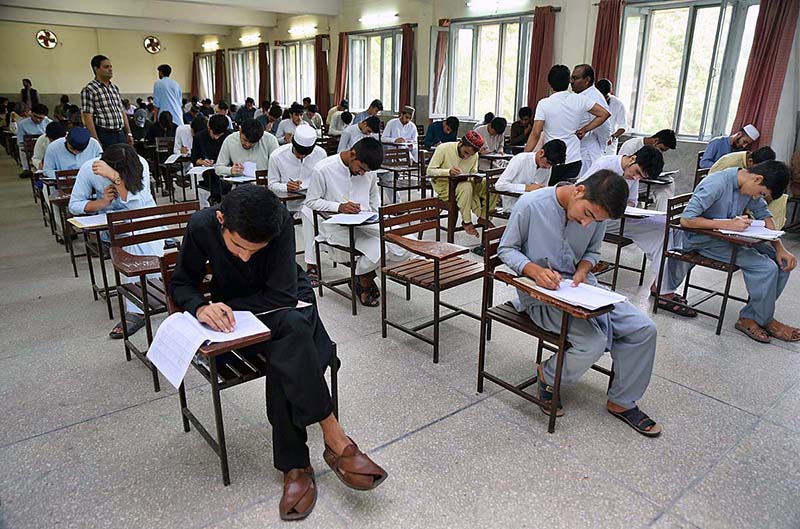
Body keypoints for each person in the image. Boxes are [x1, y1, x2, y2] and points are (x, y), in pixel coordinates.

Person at [169, 185, 387, 521]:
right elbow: (181, 283)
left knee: (287, 335)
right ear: (221, 219)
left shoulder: (280, 223)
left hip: (284, 299)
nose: (245, 256)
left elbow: (282, 295)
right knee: (294, 335)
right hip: (252, 315)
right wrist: (200, 307)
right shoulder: (201, 227)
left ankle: (295, 466)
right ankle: (333, 435)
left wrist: (228, 306)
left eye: (255, 250)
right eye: (237, 246)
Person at [498, 170, 662, 437]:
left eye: (595, 220)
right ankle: (549, 376)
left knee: (644, 329)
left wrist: (584, 269)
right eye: (587, 214)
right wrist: (534, 270)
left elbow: (592, 252)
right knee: (593, 342)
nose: (587, 224)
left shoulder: (595, 216)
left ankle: (622, 400)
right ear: (579, 190)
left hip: (582, 289)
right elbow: (506, 250)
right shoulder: (531, 205)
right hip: (541, 294)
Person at [661, 161, 798, 344]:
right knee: (765, 267)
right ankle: (762, 320)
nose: (759, 197)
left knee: (781, 263)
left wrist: (780, 248)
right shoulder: (717, 183)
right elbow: (687, 220)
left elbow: (765, 216)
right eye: (761, 193)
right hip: (702, 241)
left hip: (728, 238)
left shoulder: (748, 186)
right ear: (757, 178)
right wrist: (726, 224)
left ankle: (753, 316)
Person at [579, 147, 695, 316]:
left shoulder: (633, 174)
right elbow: (581, 191)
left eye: (641, 177)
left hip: (620, 217)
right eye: (637, 172)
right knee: (660, 233)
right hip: (598, 218)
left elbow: (632, 201)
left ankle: (662, 286)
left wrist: (629, 207)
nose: (636, 178)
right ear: (632, 158)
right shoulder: (605, 166)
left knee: (668, 230)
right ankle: (663, 290)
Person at [304, 137, 410, 306]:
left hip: (366, 222)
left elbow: (374, 196)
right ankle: (364, 280)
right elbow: (311, 202)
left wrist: (375, 216)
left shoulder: (368, 171)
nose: (362, 174)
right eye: (361, 169)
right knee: (379, 249)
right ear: (352, 154)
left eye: (366, 171)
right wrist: (339, 207)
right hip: (335, 226)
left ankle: (361, 276)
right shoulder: (323, 169)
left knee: (404, 244)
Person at [69, 144, 160, 339]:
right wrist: (101, 203)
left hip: (144, 219)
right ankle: (139, 304)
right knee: (129, 239)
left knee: (137, 233)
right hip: (112, 226)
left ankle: (143, 296)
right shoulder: (90, 169)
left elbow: (137, 202)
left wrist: (116, 178)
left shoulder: (140, 164)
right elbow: (74, 205)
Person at [524, 65, 611, 184]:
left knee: (547, 194)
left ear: (549, 83)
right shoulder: (579, 99)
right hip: (574, 159)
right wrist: (585, 129)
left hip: (552, 159)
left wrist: (524, 156)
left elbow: (535, 134)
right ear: (569, 81)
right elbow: (604, 114)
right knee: (566, 195)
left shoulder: (544, 104)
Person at [268, 125, 327, 273]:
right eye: (299, 154)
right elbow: (272, 185)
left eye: (305, 155)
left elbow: (325, 182)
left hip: (313, 200)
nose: (301, 157)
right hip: (287, 205)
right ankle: (312, 264)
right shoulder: (277, 156)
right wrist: (286, 187)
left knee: (310, 212)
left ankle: (317, 256)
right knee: (309, 214)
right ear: (292, 144)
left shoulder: (321, 154)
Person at [426, 130, 494, 237]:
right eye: (466, 152)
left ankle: (484, 218)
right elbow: (429, 171)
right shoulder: (443, 148)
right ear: (460, 142)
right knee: (465, 187)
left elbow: (473, 172)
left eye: (470, 155)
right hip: (446, 187)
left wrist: (476, 178)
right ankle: (466, 222)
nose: (467, 157)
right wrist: (448, 172)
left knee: (492, 185)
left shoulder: (474, 156)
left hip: (467, 184)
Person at [708, 146, 786, 228]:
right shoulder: (720, 180)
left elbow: (762, 212)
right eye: (761, 193)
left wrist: (774, 236)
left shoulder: (749, 186)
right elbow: (693, 219)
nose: (756, 196)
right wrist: (728, 224)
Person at [42, 126, 102, 232]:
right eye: (72, 149)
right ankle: (63, 227)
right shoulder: (53, 147)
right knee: (49, 193)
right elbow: (47, 170)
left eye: (80, 151)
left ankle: (97, 228)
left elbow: (102, 164)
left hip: (90, 185)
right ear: (66, 138)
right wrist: (64, 176)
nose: (76, 153)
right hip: (64, 186)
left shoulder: (94, 144)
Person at [495, 139, 566, 211]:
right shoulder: (521, 159)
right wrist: (527, 188)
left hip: (534, 205)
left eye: (552, 165)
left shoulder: (547, 167)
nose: (548, 167)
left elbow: (544, 188)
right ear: (541, 153)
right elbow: (500, 185)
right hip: (514, 205)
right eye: (548, 162)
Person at [81, 55, 134, 148]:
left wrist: (129, 133)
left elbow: (122, 111)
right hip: (105, 134)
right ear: (96, 69)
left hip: (120, 133)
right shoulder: (90, 89)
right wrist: (95, 140)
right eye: (106, 67)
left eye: (110, 66)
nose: (110, 69)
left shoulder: (114, 88)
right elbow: (87, 116)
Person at [618, 129, 678, 211]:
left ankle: (662, 217)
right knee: (665, 187)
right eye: (662, 149)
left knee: (668, 183)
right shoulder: (631, 146)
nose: (661, 152)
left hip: (642, 180)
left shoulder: (654, 153)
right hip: (628, 181)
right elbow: (623, 170)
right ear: (656, 141)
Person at [569, 64, 612, 178]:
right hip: (577, 148)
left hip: (588, 150)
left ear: (587, 80)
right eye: (571, 78)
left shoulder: (594, 97)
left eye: (575, 78)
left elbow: (604, 128)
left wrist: (600, 145)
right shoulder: (579, 96)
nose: (571, 82)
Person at [215, 118, 279, 177]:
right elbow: (218, 168)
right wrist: (231, 170)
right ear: (240, 131)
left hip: (263, 184)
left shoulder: (270, 140)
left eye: (252, 142)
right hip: (239, 185)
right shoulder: (230, 140)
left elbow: (278, 167)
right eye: (245, 140)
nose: (247, 145)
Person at [191, 114, 232, 206]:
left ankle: (219, 202)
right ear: (209, 127)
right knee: (217, 182)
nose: (217, 137)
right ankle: (217, 202)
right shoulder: (199, 137)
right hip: (209, 173)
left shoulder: (229, 136)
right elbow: (194, 158)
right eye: (214, 134)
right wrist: (202, 162)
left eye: (220, 135)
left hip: (227, 170)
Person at [16, 103, 52, 177]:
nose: (38, 119)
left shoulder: (49, 122)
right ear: (31, 113)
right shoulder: (22, 124)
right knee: (22, 149)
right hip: (29, 146)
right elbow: (20, 141)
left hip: (44, 146)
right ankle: (26, 169)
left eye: (41, 118)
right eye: (35, 116)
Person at [595, 79, 628, 155]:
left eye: (605, 97)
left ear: (610, 92)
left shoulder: (618, 104)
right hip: (593, 141)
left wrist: (613, 136)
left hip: (609, 145)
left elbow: (623, 126)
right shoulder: (590, 100)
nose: (602, 100)